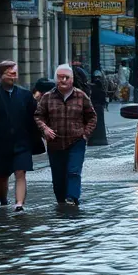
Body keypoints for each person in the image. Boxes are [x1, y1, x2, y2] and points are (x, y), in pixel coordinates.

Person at [0, 60, 40, 211]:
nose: (13, 76)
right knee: (2, 177)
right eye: (9, 73)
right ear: (0, 76)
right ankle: (3, 201)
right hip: (0, 143)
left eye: (15, 73)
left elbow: (37, 116)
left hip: (22, 141)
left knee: (21, 172)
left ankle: (19, 204)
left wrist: (42, 132)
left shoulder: (25, 95)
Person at [35, 64, 98, 208]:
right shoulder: (47, 97)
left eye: (66, 77)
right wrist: (44, 129)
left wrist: (85, 134)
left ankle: (72, 198)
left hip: (76, 141)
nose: (63, 80)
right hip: (55, 142)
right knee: (58, 176)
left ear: (72, 79)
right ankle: (61, 201)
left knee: (74, 171)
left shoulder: (81, 96)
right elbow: (38, 116)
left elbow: (92, 117)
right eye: (60, 77)